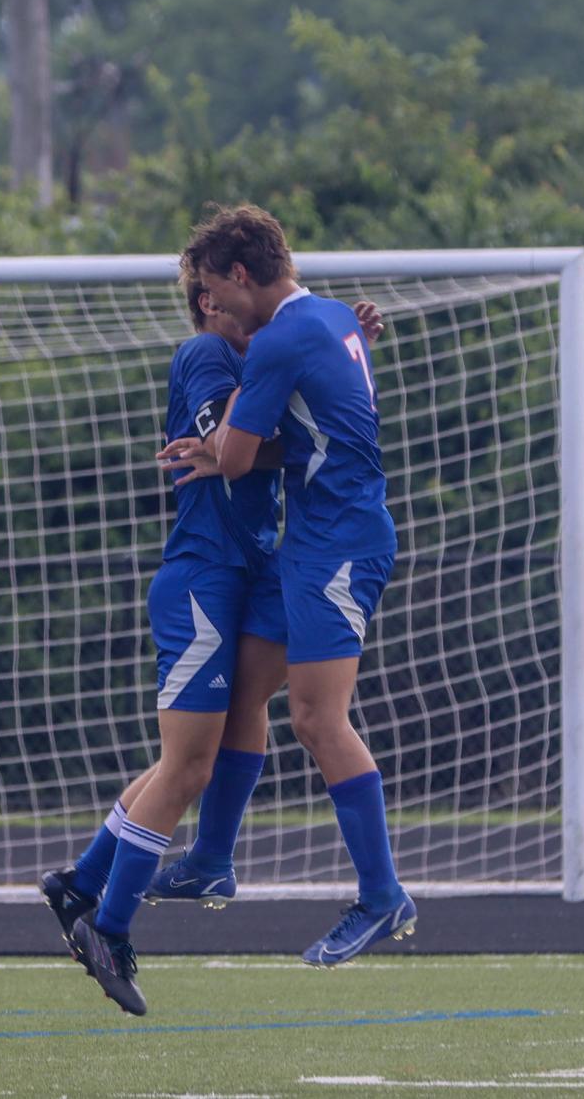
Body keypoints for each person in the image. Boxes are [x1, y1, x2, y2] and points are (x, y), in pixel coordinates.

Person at [39, 264, 382, 1015]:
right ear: (209, 302)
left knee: (241, 717)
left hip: (255, 566)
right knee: (188, 763)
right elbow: (229, 445)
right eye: (227, 301)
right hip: (201, 575)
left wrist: (337, 342)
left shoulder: (265, 348)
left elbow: (280, 433)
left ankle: (96, 879)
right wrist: (304, 366)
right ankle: (107, 925)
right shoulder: (205, 354)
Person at [175, 203, 416, 971]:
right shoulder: (331, 316)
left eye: (215, 290)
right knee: (244, 694)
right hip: (310, 542)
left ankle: (381, 897)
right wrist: (229, 446)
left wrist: (214, 450)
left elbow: (240, 455)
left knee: (316, 718)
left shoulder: (280, 335)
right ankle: (211, 861)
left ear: (241, 275)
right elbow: (303, 427)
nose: (211, 306)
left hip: (338, 547)